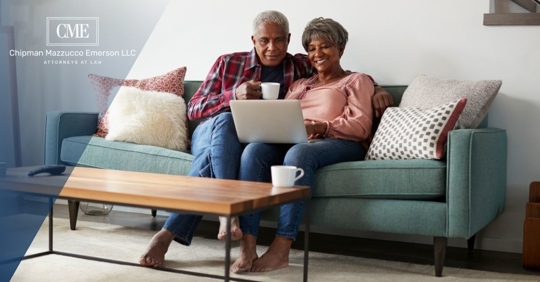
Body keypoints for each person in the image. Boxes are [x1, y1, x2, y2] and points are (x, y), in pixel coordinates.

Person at [139, 10, 392, 268]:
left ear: (288, 39)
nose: (272, 47)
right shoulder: (231, 63)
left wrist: (377, 88)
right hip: (213, 130)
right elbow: (193, 109)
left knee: (252, 151)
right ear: (253, 40)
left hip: (288, 140)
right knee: (229, 125)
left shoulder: (300, 67)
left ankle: (178, 234)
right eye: (264, 41)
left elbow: (345, 76)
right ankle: (232, 218)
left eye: (280, 40)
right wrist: (232, 96)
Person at [231, 17, 375, 273]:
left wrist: (321, 127)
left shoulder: (356, 81)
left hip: (341, 142)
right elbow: (283, 117)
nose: (317, 54)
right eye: (311, 48)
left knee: (299, 152)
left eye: (325, 46)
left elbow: (361, 126)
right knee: (254, 151)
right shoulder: (299, 85)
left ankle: (281, 248)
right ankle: (248, 242)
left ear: (341, 49)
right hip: (298, 140)